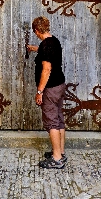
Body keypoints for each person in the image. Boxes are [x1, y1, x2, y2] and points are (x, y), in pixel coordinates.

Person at [27, 16, 67, 169]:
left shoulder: (46, 46)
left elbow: (47, 69)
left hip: (50, 88)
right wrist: (34, 48)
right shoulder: (53, 41)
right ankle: (61, 152)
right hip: (59, 85)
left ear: (37, 31)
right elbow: (48, 52)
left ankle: (56, 159)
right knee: (58, 118)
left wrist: (39, 91)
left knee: (51, 122)